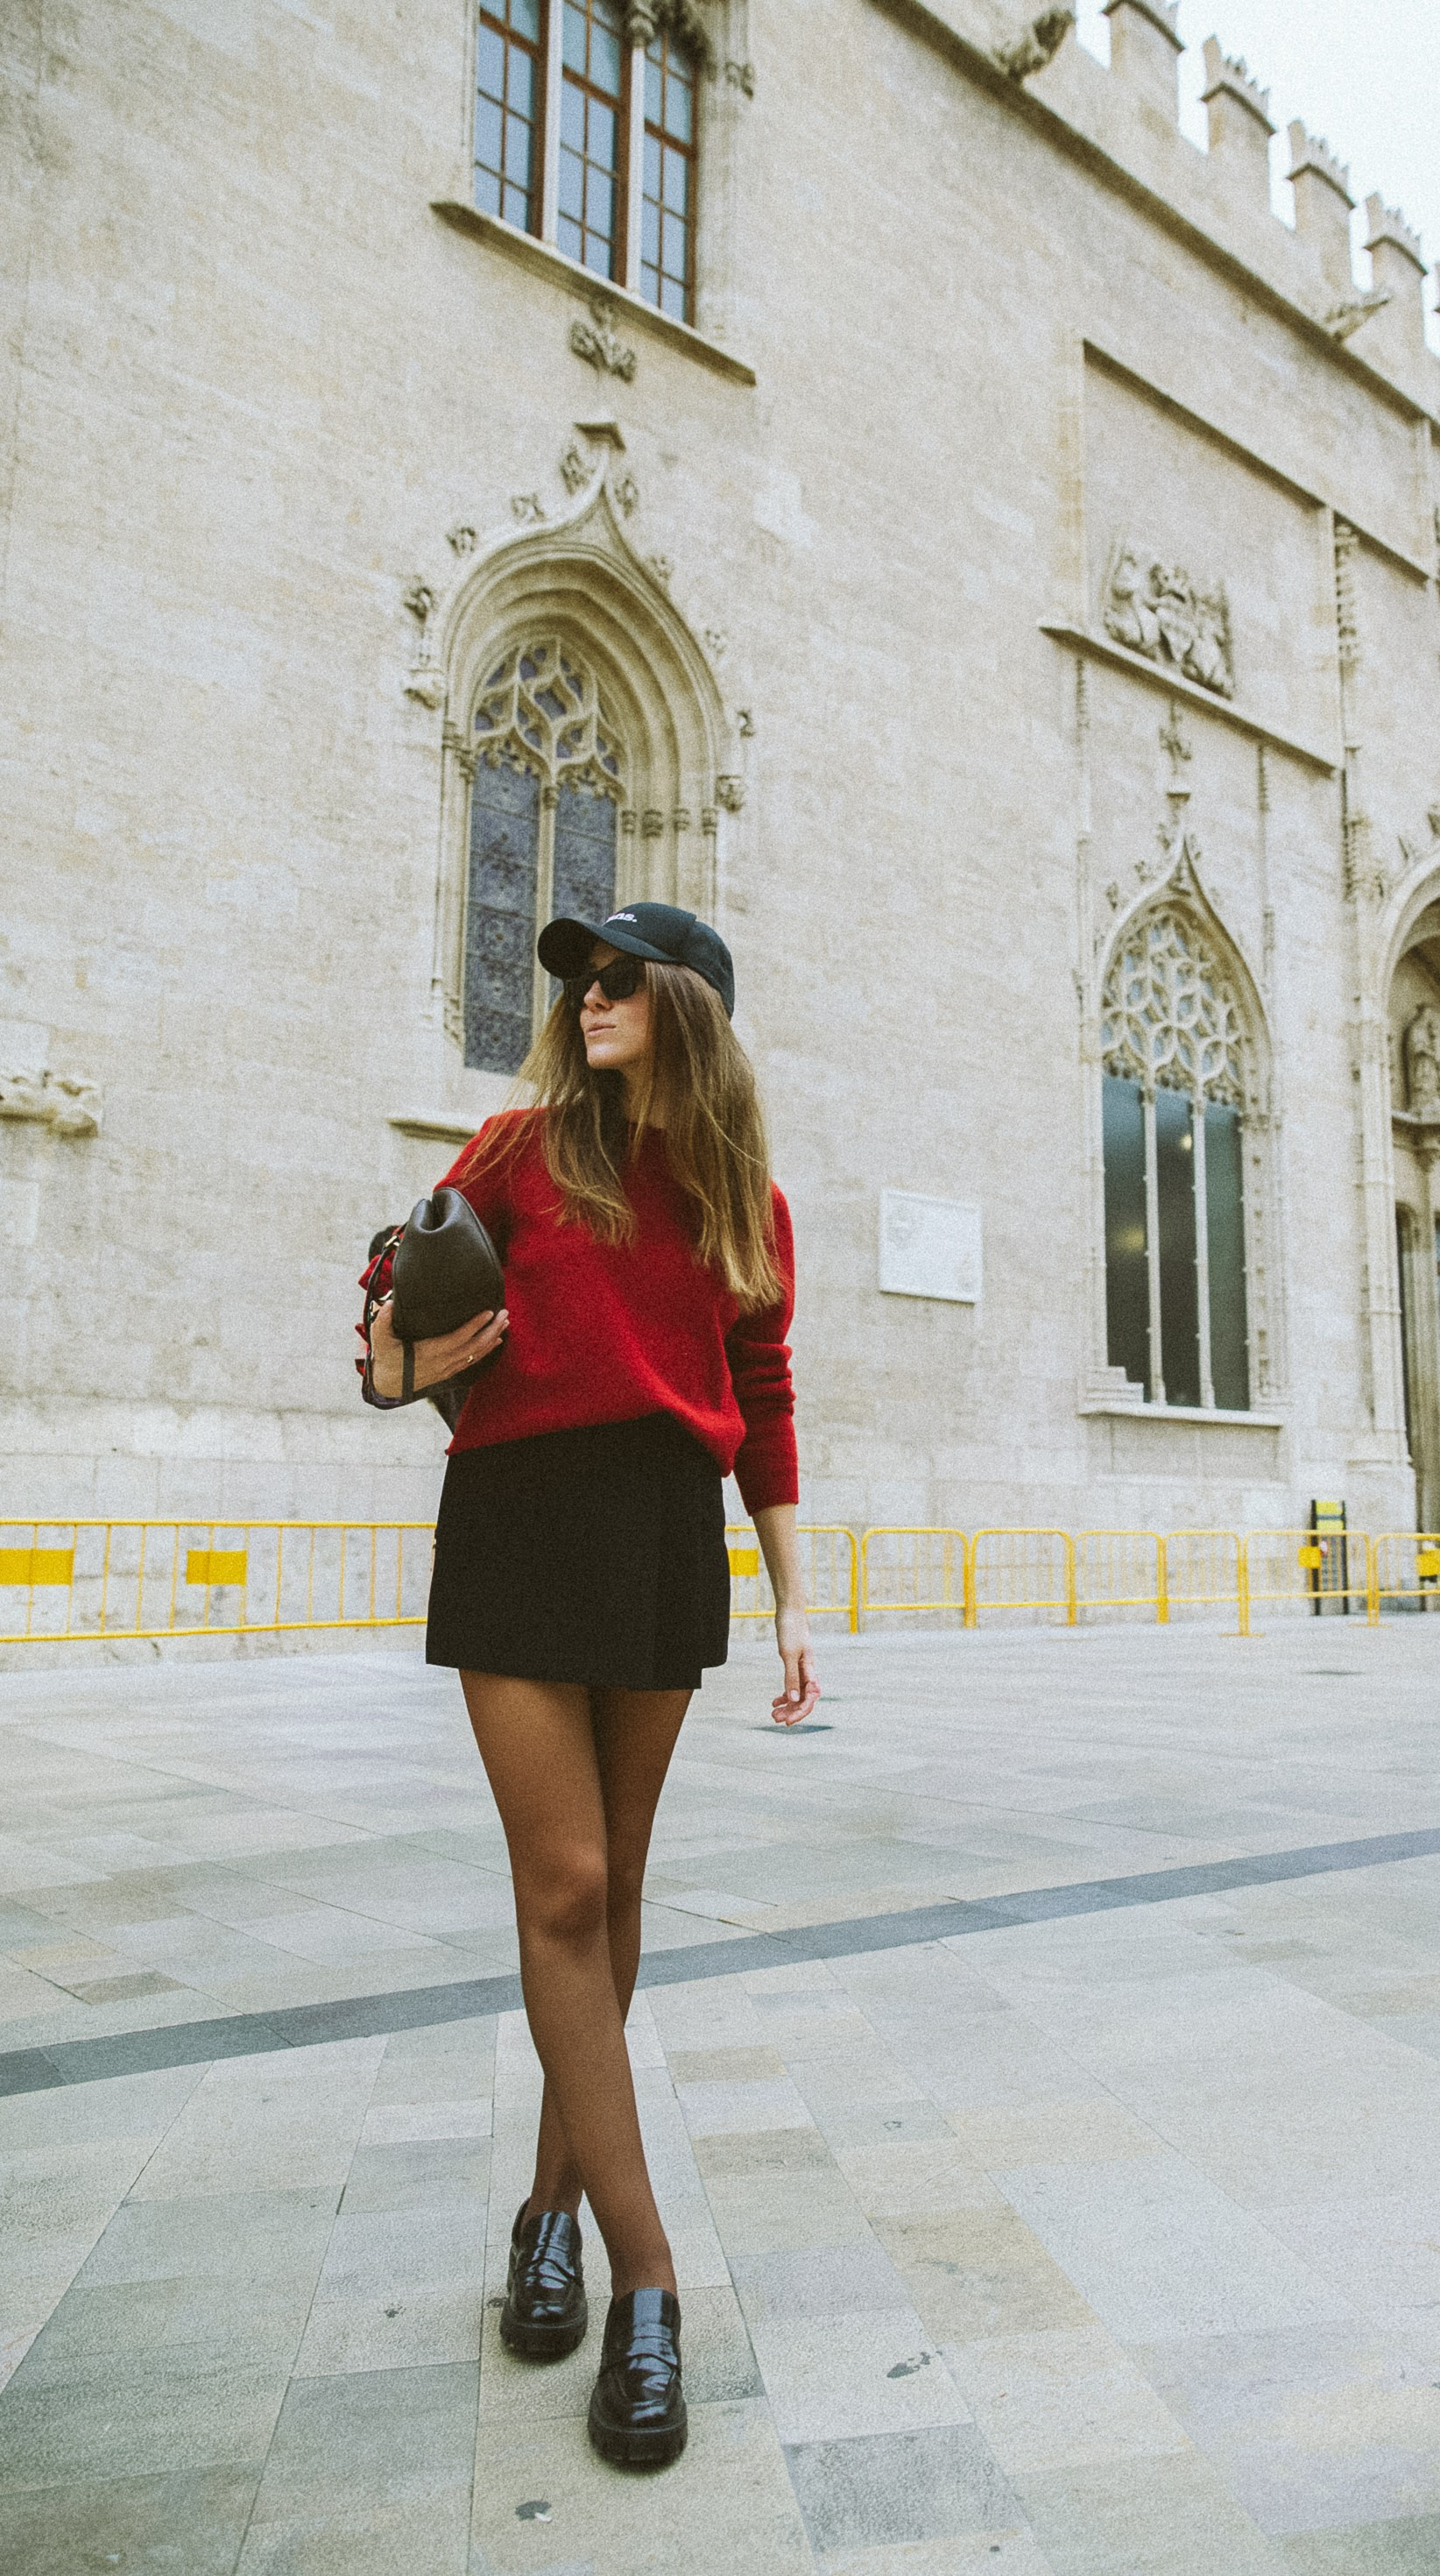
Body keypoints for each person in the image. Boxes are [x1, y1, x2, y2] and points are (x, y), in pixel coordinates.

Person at [364, 902, 817, 2468]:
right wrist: (398, 1354)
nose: (589, 998)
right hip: (515, 1522)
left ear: (689, 1005)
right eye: (581, 981)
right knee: (560, 1881)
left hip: (659, 1540)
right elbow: (391, 1283)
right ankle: (648, 2280)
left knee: (615, 1889)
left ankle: (548, 2209)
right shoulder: (514, 1146)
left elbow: (759, 1394)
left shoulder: (742, 1198)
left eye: (621, 980)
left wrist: (794, 1600)